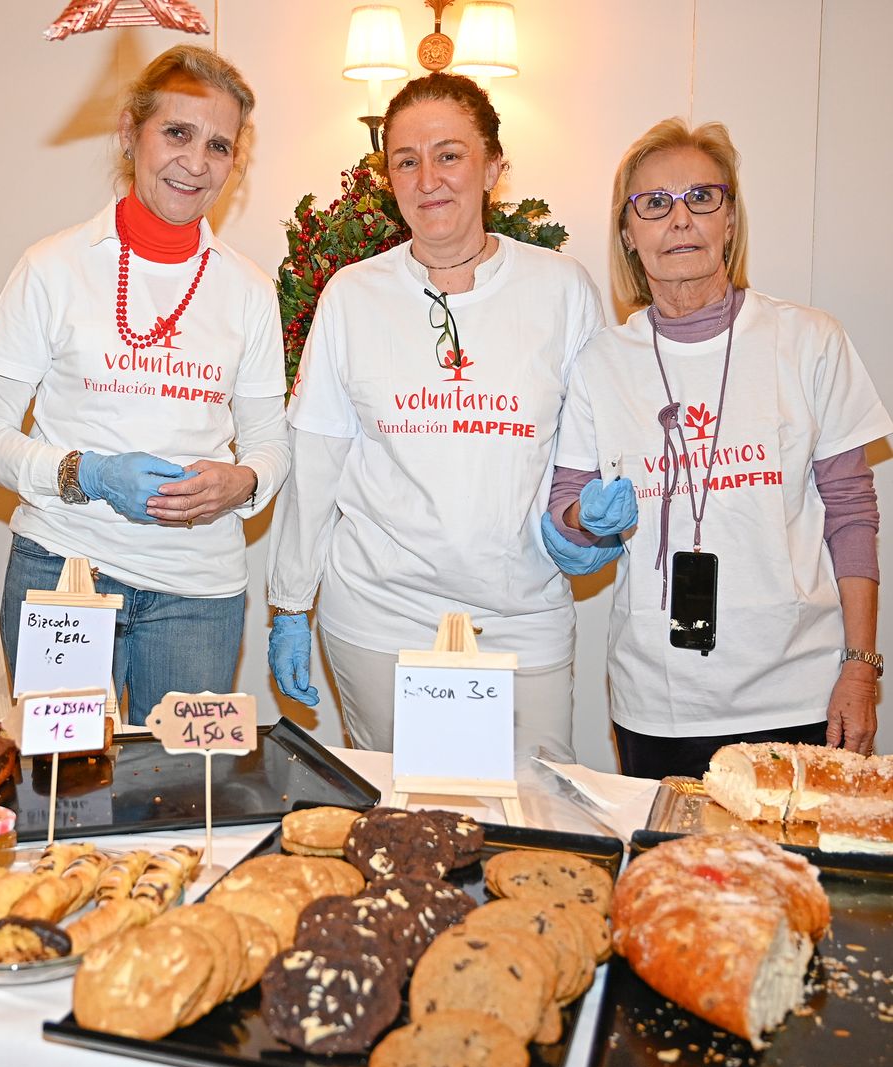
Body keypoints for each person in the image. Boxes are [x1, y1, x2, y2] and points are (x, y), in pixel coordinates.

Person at [266, 73, 604, 761]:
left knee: (534, 820)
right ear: (387, 177)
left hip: (523, 612)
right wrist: (290, 602)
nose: (429, 180)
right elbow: (317, 458)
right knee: (404, 821)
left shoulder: (561, 290)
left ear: (493, 167)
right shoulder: (353, 297)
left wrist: (591, 528)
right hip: (381, 616)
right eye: (406, 160)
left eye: (449, 155)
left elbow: (591, 448)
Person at [542, 118, 892, 779]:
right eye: (655, 204)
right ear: (628, 232)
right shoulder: (601, 361)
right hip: (659, 702)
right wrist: (583, 519)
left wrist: (860, 668)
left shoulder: (808, 341)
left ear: (730, 219)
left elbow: (852, 514)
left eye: (702, 197)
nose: (680, 220)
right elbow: (567, 511)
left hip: (798, 689)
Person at [0, 46, 289, 726]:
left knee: (179, 802)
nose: (196, 163)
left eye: (220, 145)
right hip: (62, 575)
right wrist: (89, 472)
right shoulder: (53, 267)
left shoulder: (251, 291)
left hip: (198, 596)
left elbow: (269, 444)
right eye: (177, 133)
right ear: (129, 134)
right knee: (59, 794)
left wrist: (244, 483)